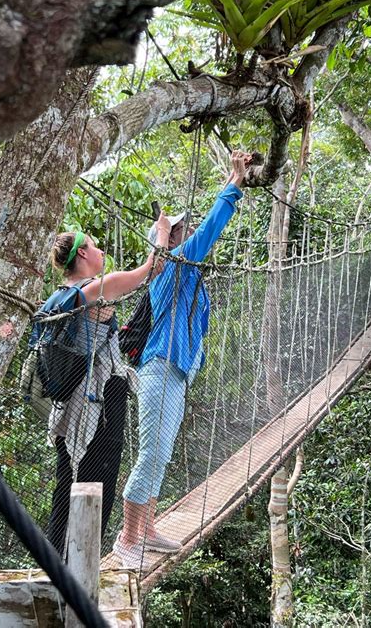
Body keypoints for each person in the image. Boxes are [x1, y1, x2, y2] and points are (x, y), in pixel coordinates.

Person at [115, 151, 250, 568]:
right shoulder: (172, 267)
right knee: (152, 453)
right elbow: (212, 228)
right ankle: (126, 539)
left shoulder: (188, 274)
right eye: (179, 230)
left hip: (177, 372)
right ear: (169, 241)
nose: (186, 231)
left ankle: (147, 529)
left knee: (162, 452)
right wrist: (235, 182)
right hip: (159, 367)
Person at [43, 213, 171, 555]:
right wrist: (161, 232)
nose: (99, 250)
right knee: (96, 488)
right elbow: (153, 267)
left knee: (67, 486)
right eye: (93, 246)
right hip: (97, 404)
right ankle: (80, 573)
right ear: (82, 255)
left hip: (67, 406)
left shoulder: (59, 297)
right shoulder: (98, 289)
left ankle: (55, 566)